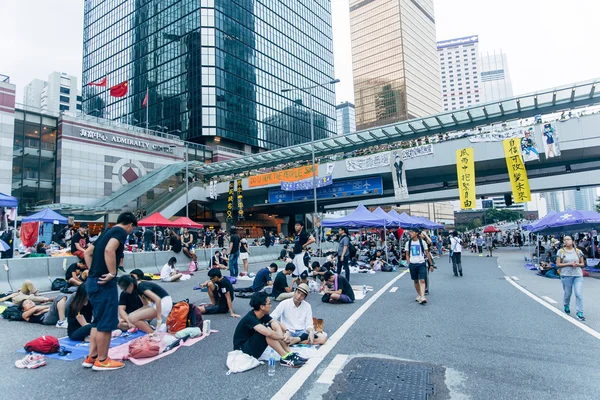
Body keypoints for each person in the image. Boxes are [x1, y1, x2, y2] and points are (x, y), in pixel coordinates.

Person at [82, 211, 137, 371]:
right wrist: (112, 273)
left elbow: (87, 252)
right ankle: (103, 359)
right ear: (130, 225)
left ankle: (91, 357)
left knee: (97, 321)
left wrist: (94, 271)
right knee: (106, 322)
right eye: (132, 229)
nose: (131, 232)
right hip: (104, 283)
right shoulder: (120, 231)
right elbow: (109, 250)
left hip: (93, 281)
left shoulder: (106, 231)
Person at [233, 292, 306, 368]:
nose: (271, 306)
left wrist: (287, 331)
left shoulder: (263, 315)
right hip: (243, 350)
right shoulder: (250, 318)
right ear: (262, 307)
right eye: (269, 304)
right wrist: (282, 337)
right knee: (267, 333)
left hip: (251, 344)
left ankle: (290, 353)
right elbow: (268, 333)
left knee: (274, 324)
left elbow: (276, 322)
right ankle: (285, 357)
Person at [556, 236, 586, 321]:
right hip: (566, 275)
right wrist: (569, 263)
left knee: (578, 293)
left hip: (577, 275)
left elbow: (582, 263)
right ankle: (566, 305)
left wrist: (577, 264)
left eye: (568, 239)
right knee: (568, 293)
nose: (566, 241)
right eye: (564, 240)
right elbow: (558, 264)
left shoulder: (578, 251)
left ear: (573, 241)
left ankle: (579, 312)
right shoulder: (561, 252)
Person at [405, 228, 434, 304]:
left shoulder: (422, 242)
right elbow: (407, 254)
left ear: (416, 233)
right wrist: (409, 262)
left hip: (421, 263)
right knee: (415, 280)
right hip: (412, 264)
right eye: (410, 232)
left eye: (412, 232)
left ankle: (422, 296)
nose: (410, 233)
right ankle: (419, 295)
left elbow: (427, 253)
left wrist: (431, 264)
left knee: (422, 280)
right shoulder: (408, 243)